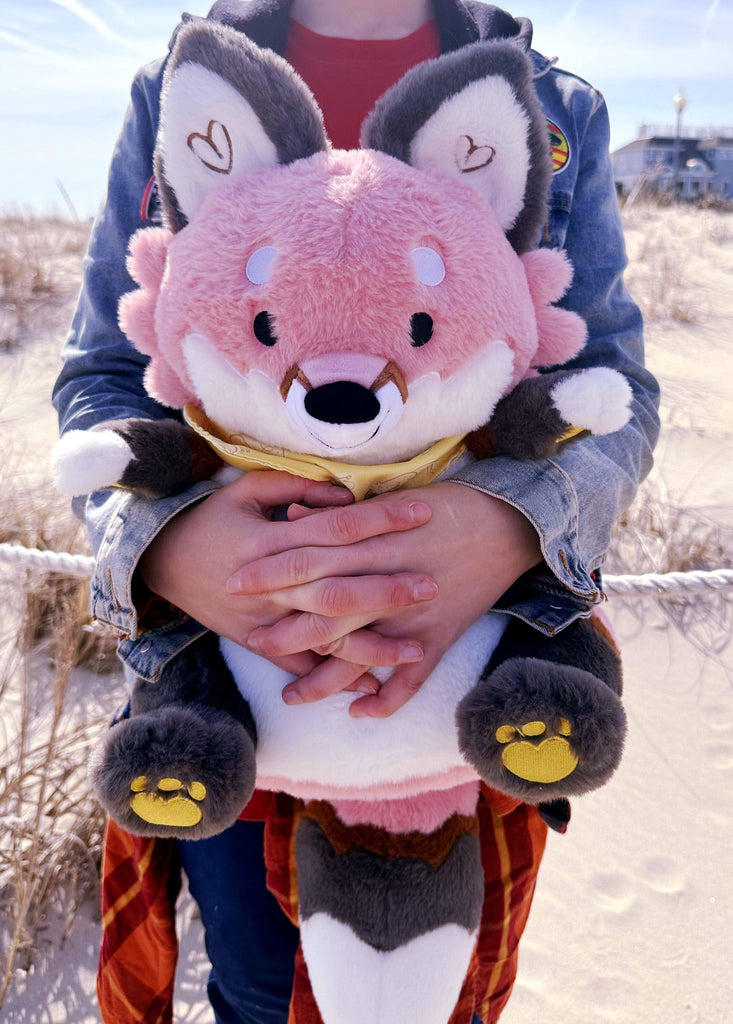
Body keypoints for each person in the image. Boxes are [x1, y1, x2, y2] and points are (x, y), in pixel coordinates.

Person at [52, 1, 660, 1022]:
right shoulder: (183, 90)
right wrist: (167, 547)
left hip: (479, 663)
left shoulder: (546, 101)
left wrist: (509, 523)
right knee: (252, 985)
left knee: (445, 987)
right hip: (232, 677)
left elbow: (610, 389)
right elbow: (105, 373)